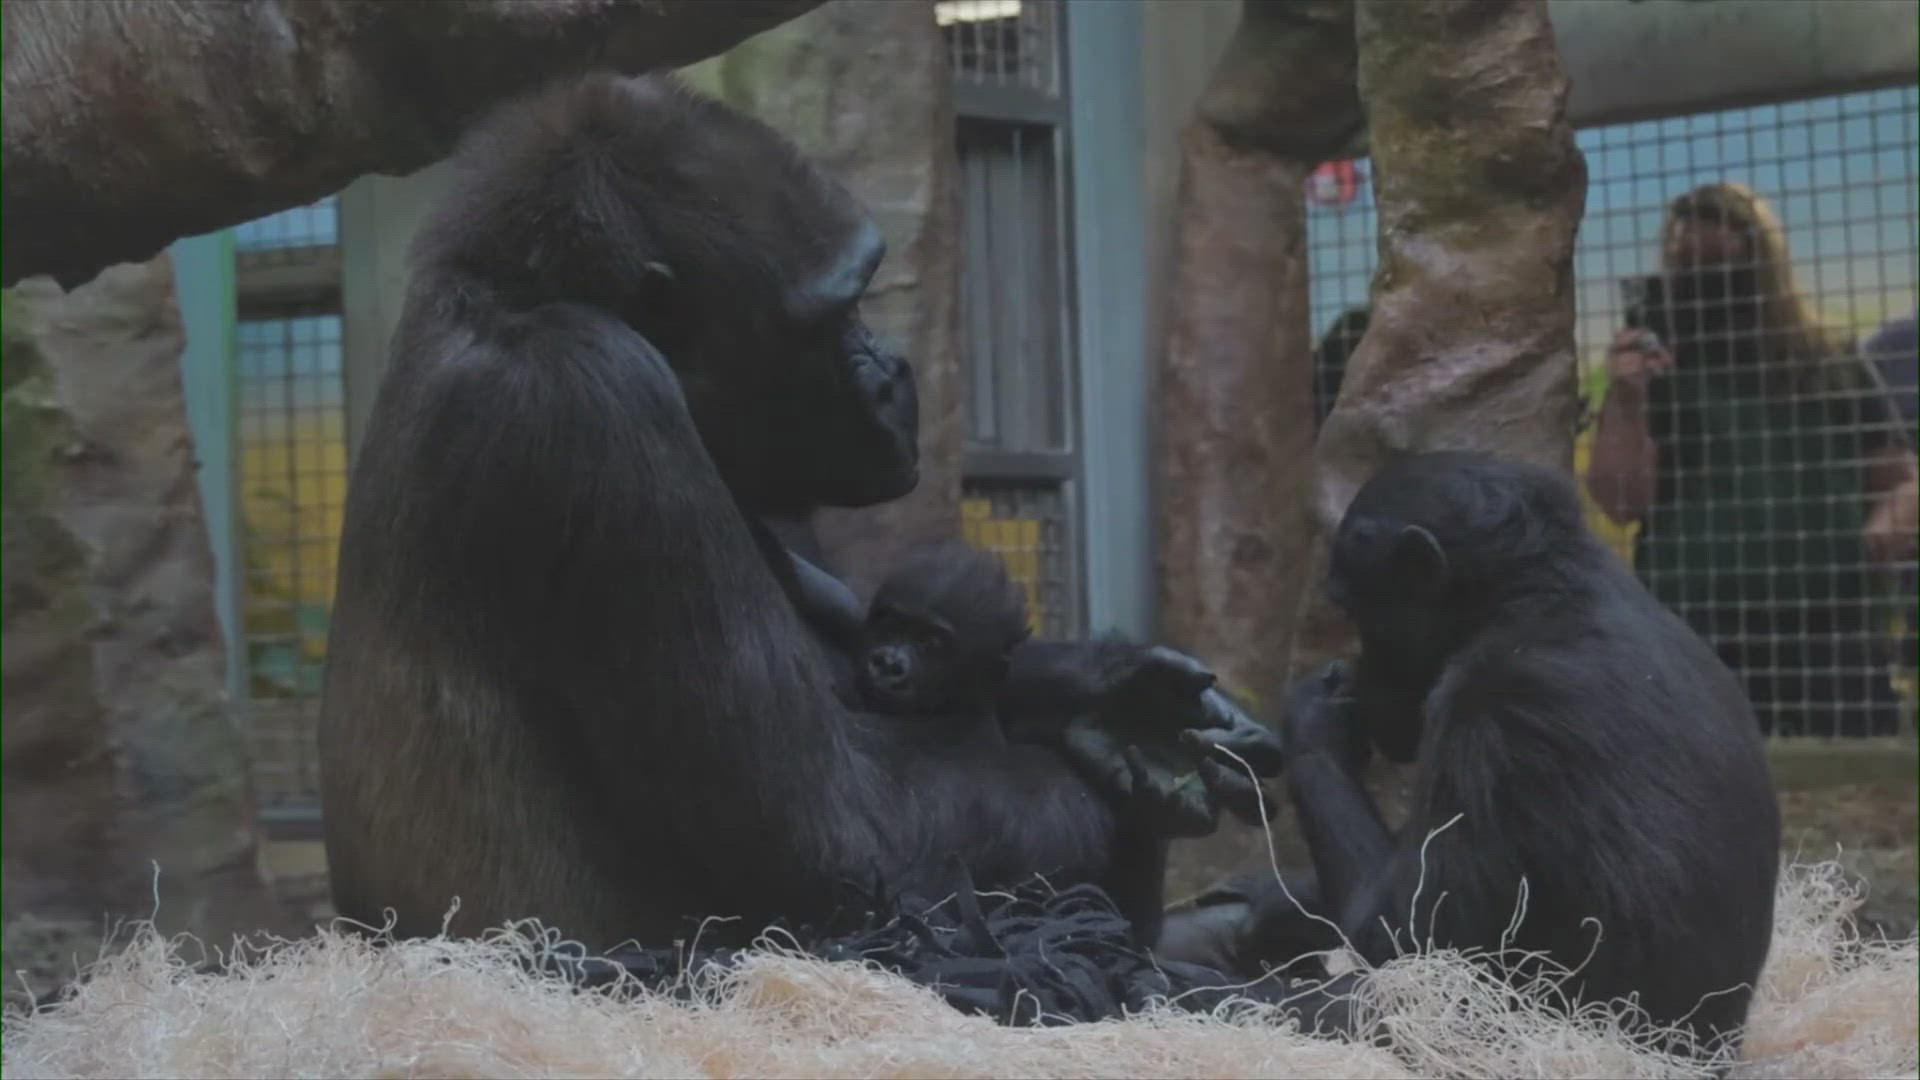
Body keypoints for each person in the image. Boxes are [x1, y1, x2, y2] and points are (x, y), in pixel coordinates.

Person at [1586, 182, 1917, 736]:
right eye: (1684, 254)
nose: (1698, 265)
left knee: (1850, 782)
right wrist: (1626, 399)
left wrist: (1874, 540)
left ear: (1760, 259)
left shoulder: (1829, 358)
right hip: (1698, 628)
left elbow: (1901, 481)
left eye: (1717, 249)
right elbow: (1621, 501)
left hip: (1831, 628)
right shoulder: (1660, 368)